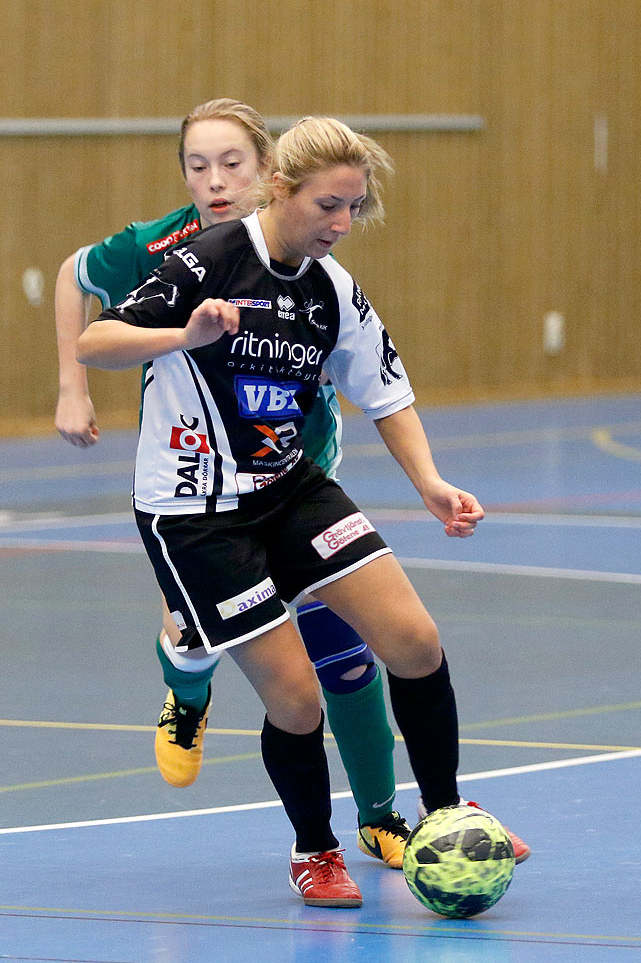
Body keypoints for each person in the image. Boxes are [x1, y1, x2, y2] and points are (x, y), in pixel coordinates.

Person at [77, 116, 527, 907]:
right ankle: (314, 849)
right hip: (196, 513)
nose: (342, 224)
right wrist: (184, 332)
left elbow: (387, 393)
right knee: (296, 697)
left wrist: (429, 482)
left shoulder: (332, 287)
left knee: (415, 640)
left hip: (290, 488)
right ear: (281, 188)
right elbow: (97, 341)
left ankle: (446, 812)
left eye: (354, 208)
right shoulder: (204, 260)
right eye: (329, 206)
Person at [53, 99, 414, 868]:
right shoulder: (169, 247)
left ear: (270, 171)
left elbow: (366, 361)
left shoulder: (311, 248)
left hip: (296, 475)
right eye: (196, 166)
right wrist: (70, 387)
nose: (215, 181)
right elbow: (72, 278)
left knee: (343, 652)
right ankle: (187, 697)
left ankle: (381, 816)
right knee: (193, 639)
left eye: (231, 164)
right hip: (196, 488)